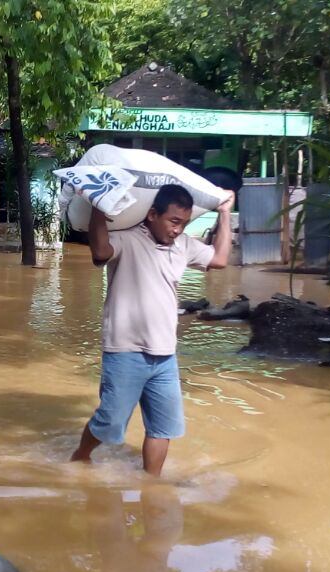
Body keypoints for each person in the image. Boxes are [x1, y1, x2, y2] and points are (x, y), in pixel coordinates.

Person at [70, 183, 235, 476]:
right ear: (152, 215)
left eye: (183, 224)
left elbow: (220, 259)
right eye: (173, 221)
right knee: (110, 421)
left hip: (165, 356)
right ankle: (80, 457)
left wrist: (225, 213)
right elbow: (100, 249)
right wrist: (99, 206)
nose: (177, 230)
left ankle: (152, 485)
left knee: (163, 427)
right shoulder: (128, 240)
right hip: (125, 351)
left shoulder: (183, 246)